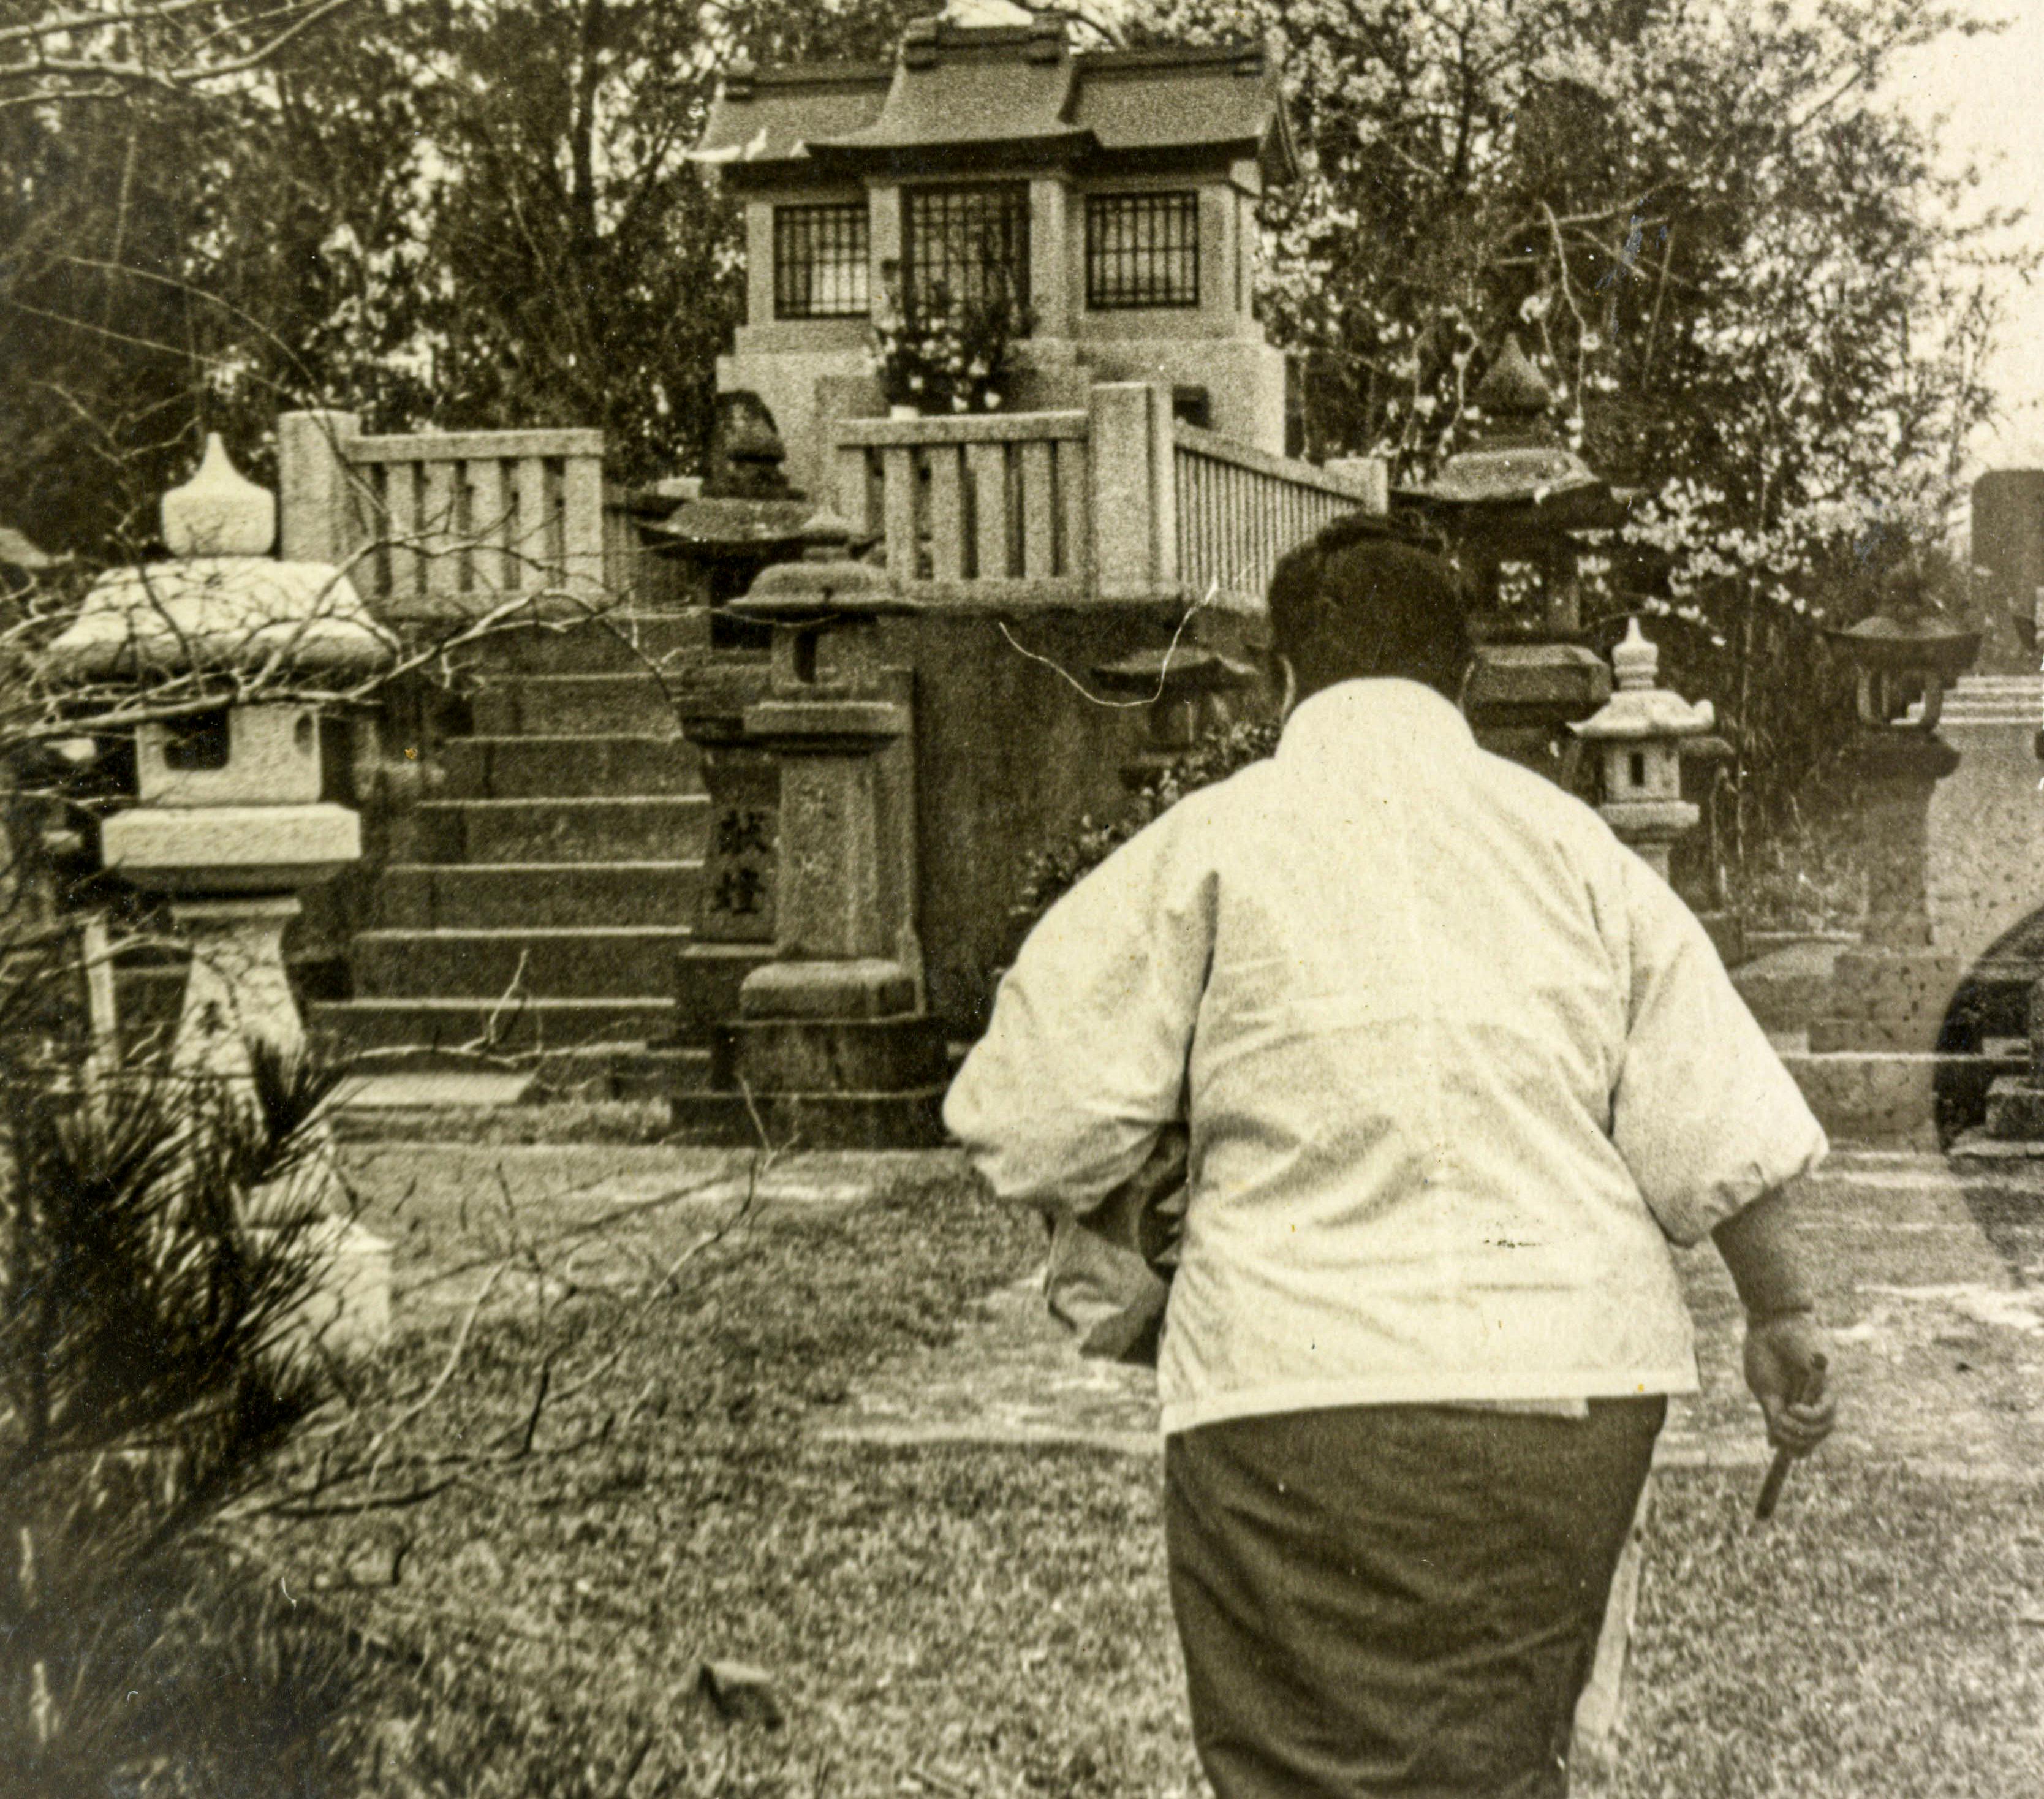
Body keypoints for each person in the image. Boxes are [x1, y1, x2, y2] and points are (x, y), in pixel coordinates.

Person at [943, 514, 1839, 1799]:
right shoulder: (1575, 849)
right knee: (1498, 1765)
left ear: (1282, 679)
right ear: (1462, 678)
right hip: (1566, 1382)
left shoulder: (1209, 843)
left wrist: (1143, 1195)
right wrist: (1783, 1313)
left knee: (1301, 1771)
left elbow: (1029, 1114)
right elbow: (1717, 1109)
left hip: (1289, 1387)